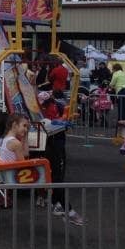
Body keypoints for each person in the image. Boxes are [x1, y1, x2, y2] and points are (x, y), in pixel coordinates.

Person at [37, 91, 84, 226]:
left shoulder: (53, 107)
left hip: (52, 142)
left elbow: (53, 121)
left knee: (56, 177)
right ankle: (65, 208)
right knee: (56, 178)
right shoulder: (46, 109)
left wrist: (62, 121)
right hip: (50, 144)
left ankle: (56, 204)